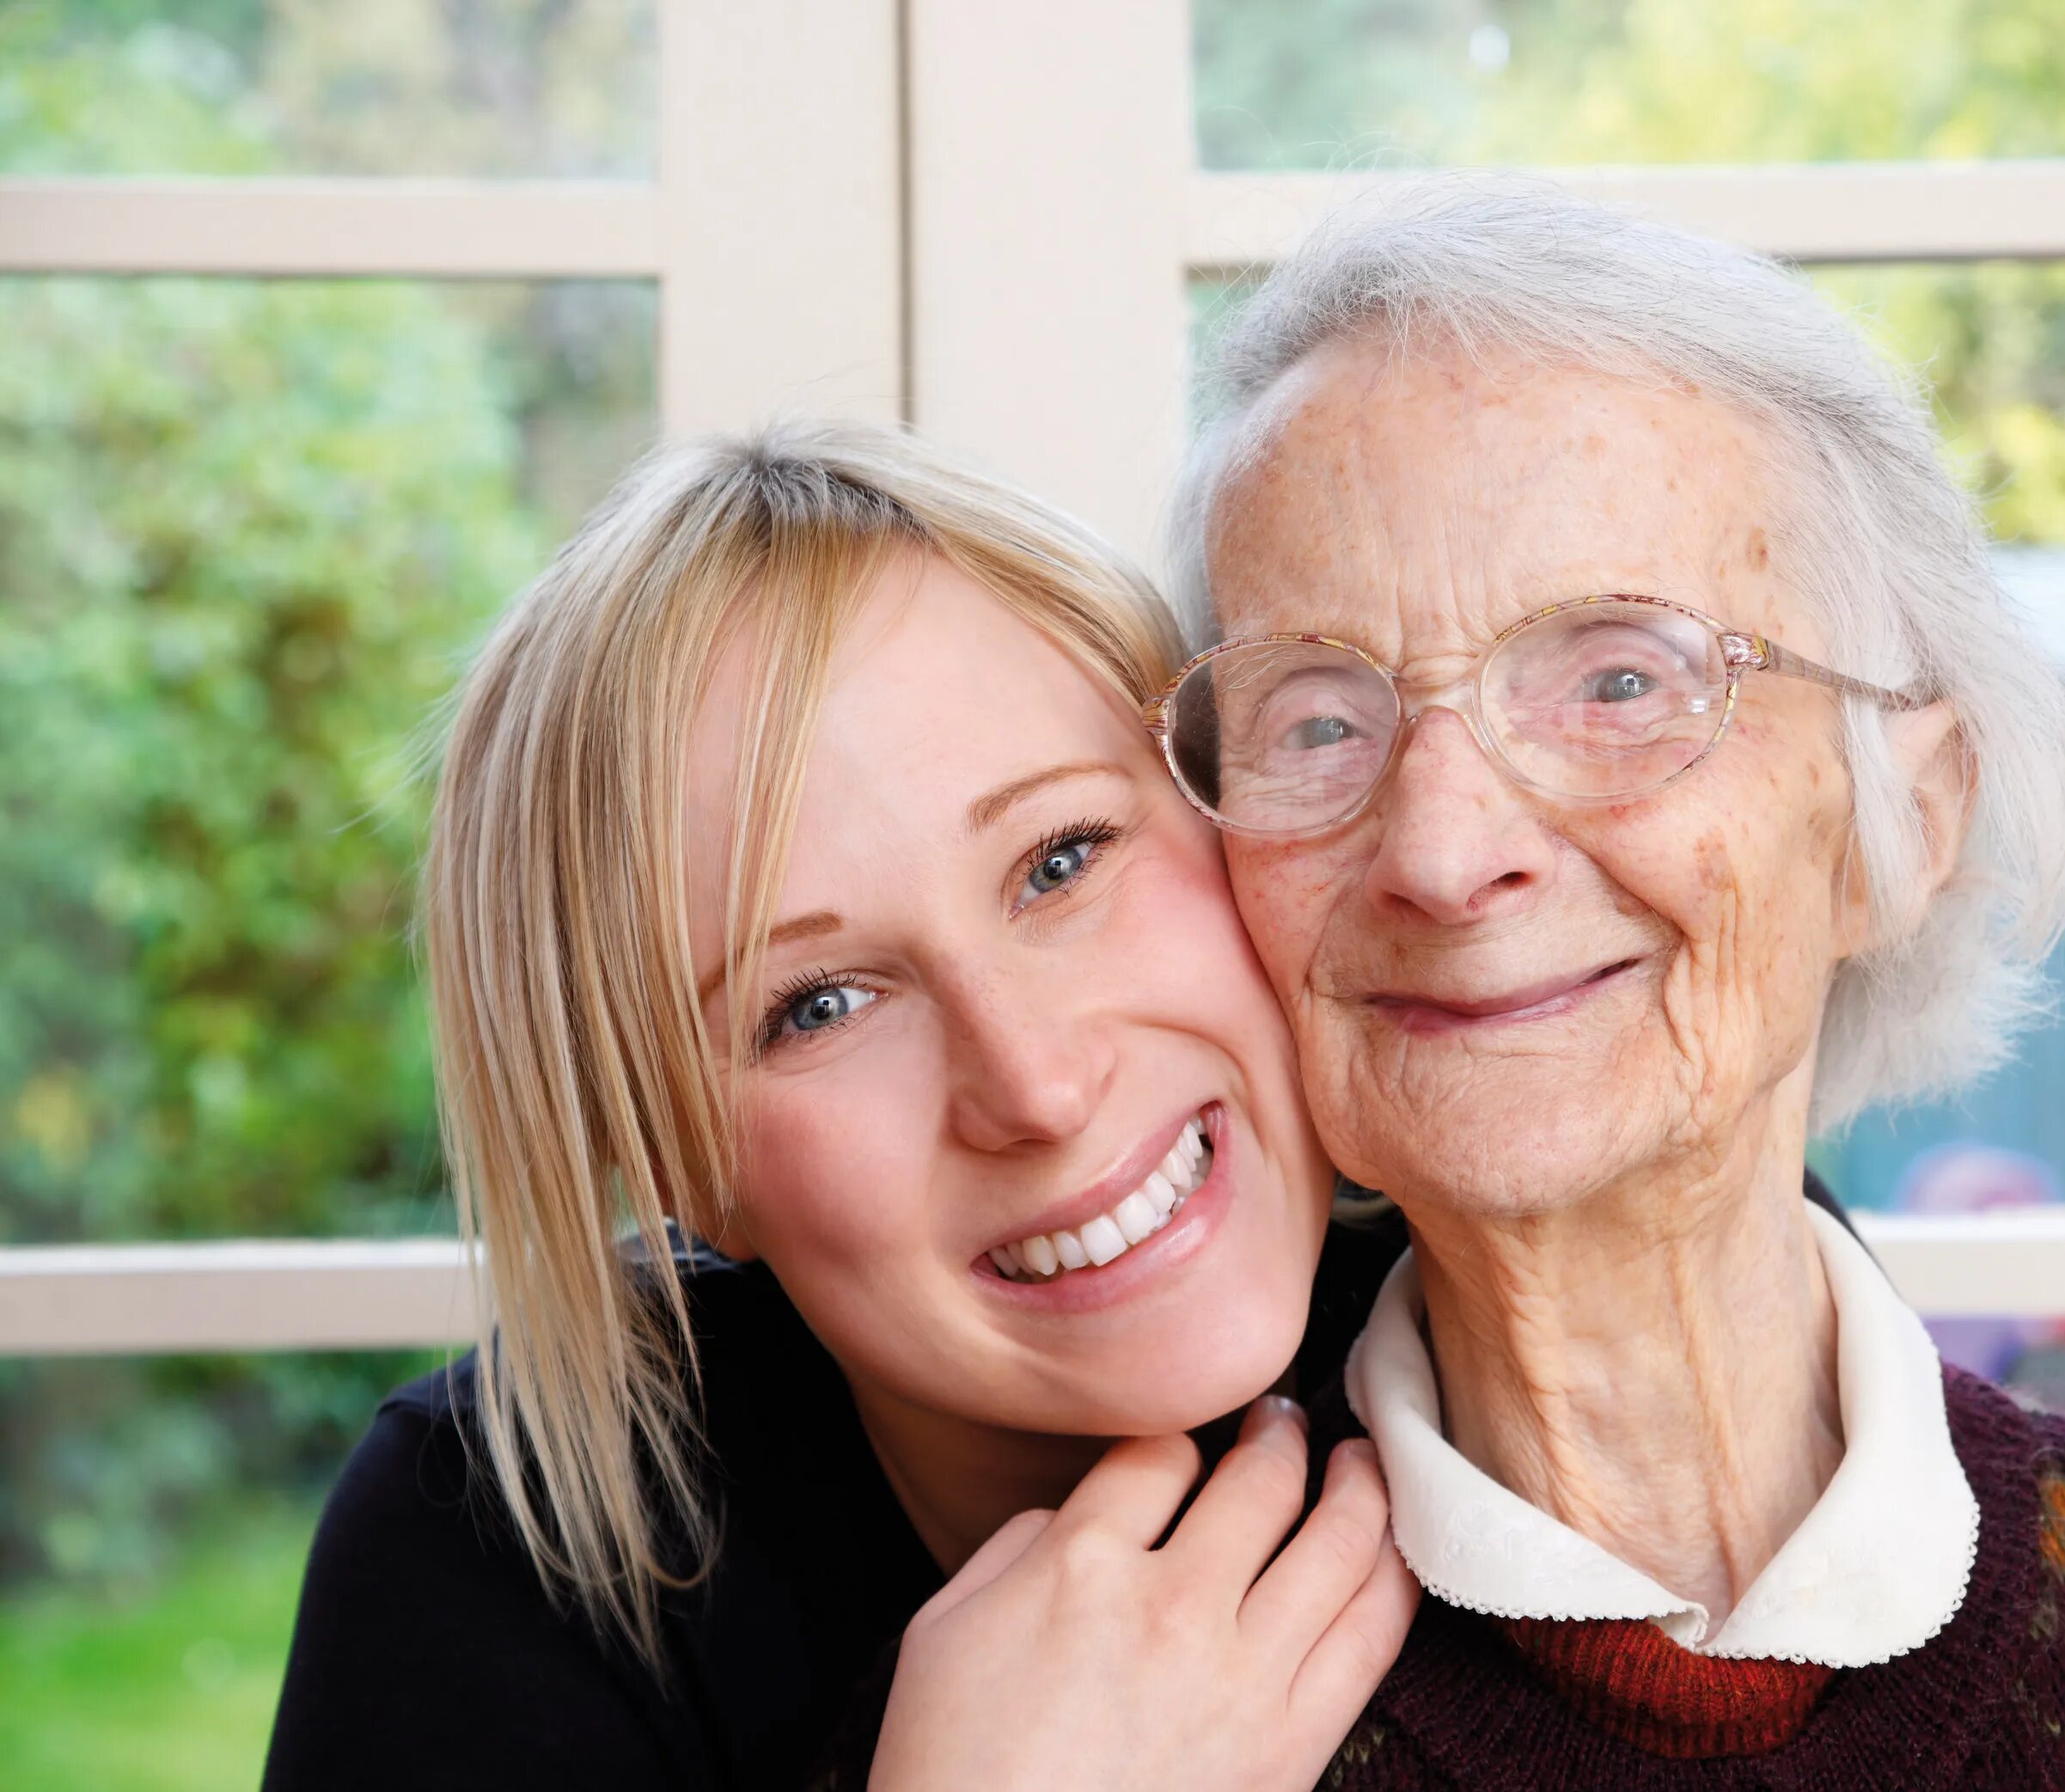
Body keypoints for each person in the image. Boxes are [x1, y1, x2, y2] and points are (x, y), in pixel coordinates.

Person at [1101, 173, 2065, 1789]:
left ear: (1903, 821)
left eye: (1618, 678)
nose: (1445, 851)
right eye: (1320, 717)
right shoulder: (1090, 1715)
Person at [262, 425, 1421, 1792]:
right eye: (816, 1004)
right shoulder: (489, 1555)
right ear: (673, 1164)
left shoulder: (1551, 1316)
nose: (1038, 1088)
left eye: (1061, 859)